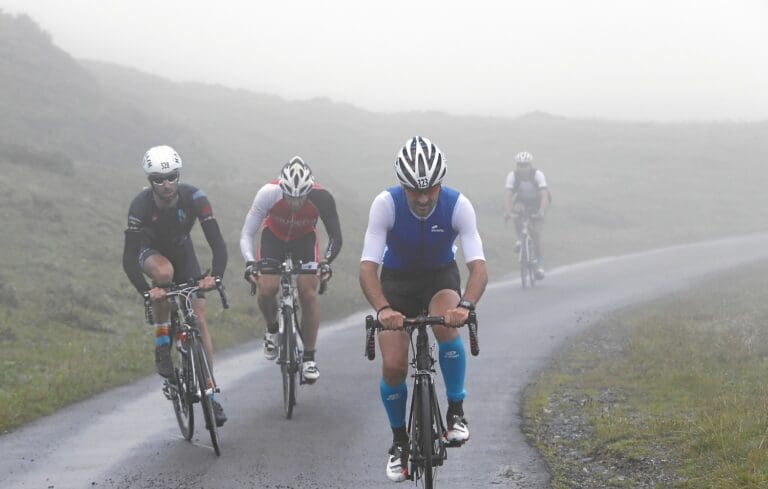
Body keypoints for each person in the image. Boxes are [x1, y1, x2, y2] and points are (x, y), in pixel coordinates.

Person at [359, 136, 488, 482]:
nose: (422, 197)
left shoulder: (458, 205)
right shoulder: (385, 204)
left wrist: (466, 306)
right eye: (413, 190)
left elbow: (478, 267)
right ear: (402, 185)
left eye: (430, 189)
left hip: (438, 277)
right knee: (393, 366)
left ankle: (456, 413)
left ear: (439, 184)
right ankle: (399, 442)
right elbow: (368, 268)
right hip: (397, 282)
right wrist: (383, 308)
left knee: (447, 326)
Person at [122, 145, 228, 426]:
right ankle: (161, 343)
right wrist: (146, 291)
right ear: (150, 181)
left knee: (199, 317)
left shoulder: (195, 197)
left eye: (171, 177)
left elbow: (216, 242)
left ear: (178, 175)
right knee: (164, 275)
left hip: (184, 252)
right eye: (158, 179)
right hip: (151, 253)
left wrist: (214, 276)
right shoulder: (141, 205)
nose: (166, 184)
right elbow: (129, 257)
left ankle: (210, 393)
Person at [240, 156, 342, 383]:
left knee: (307, 293)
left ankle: (309, 358)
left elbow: (335, 236)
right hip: (273, 238)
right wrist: (250, 262)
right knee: (267, 288)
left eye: (301, 197)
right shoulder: (268, 193)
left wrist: (325, 261)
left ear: (309, 190)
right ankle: (272, 328)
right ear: (282, 188)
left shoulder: (322, 198)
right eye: (290, 197)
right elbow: (247, 233)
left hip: (304, 240)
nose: (295, 203)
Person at [503, 151, 551, 279]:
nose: (523, 168)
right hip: (522, 201)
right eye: (520, 165)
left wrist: (541, 211)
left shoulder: (538, 175)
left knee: (535, 234)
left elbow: (544, 195)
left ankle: (539, 265)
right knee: (517, 211)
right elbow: (508, 195)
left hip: (537, 203)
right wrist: (508, 212)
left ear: (530, 165)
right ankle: (520, 239)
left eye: (525, 165)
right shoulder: (512, 176)